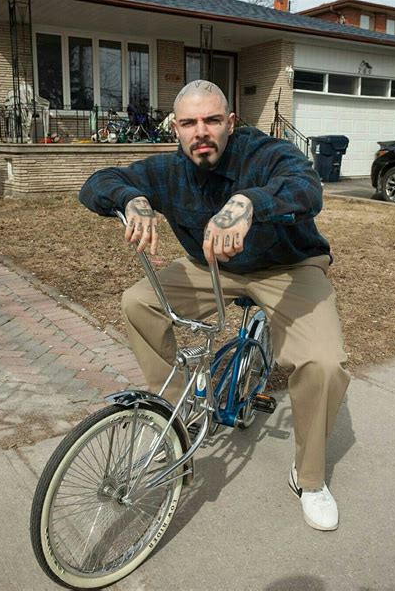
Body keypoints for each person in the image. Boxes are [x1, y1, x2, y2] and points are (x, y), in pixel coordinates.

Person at [79, 80, 350, 532]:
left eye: (210, 121)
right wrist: (133, 199)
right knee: (137, 301)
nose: (200, 132)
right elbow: (97, 181)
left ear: (230, 123)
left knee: (323, 363)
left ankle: (309, 478)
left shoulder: (263, 154)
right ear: (176, 129)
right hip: (212, 267)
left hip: (289, 267)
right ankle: (173, 405)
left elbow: (306, 186)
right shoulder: (168, 169)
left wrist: (249, 202)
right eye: (188, 123)